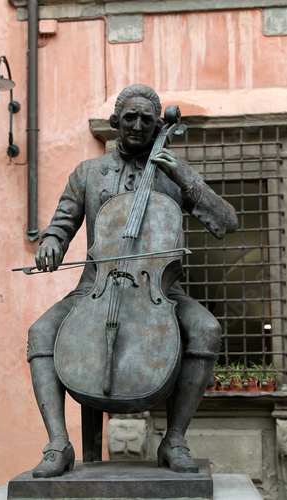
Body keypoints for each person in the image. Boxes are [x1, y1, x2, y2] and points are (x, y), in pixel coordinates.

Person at [28, 84, 238, 478]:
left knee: (207, 329)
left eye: (147, 119)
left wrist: (182, 173)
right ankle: (58, 443)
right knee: (40, 332)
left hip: (160, 289)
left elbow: (226, 222)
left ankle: (174, 439)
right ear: (115, 123)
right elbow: (61, 225)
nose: (138, 125)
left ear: (158, 123)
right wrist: (51, 244)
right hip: (94, 287)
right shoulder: (89, 173)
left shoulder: (173, 174)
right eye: (130, 118)